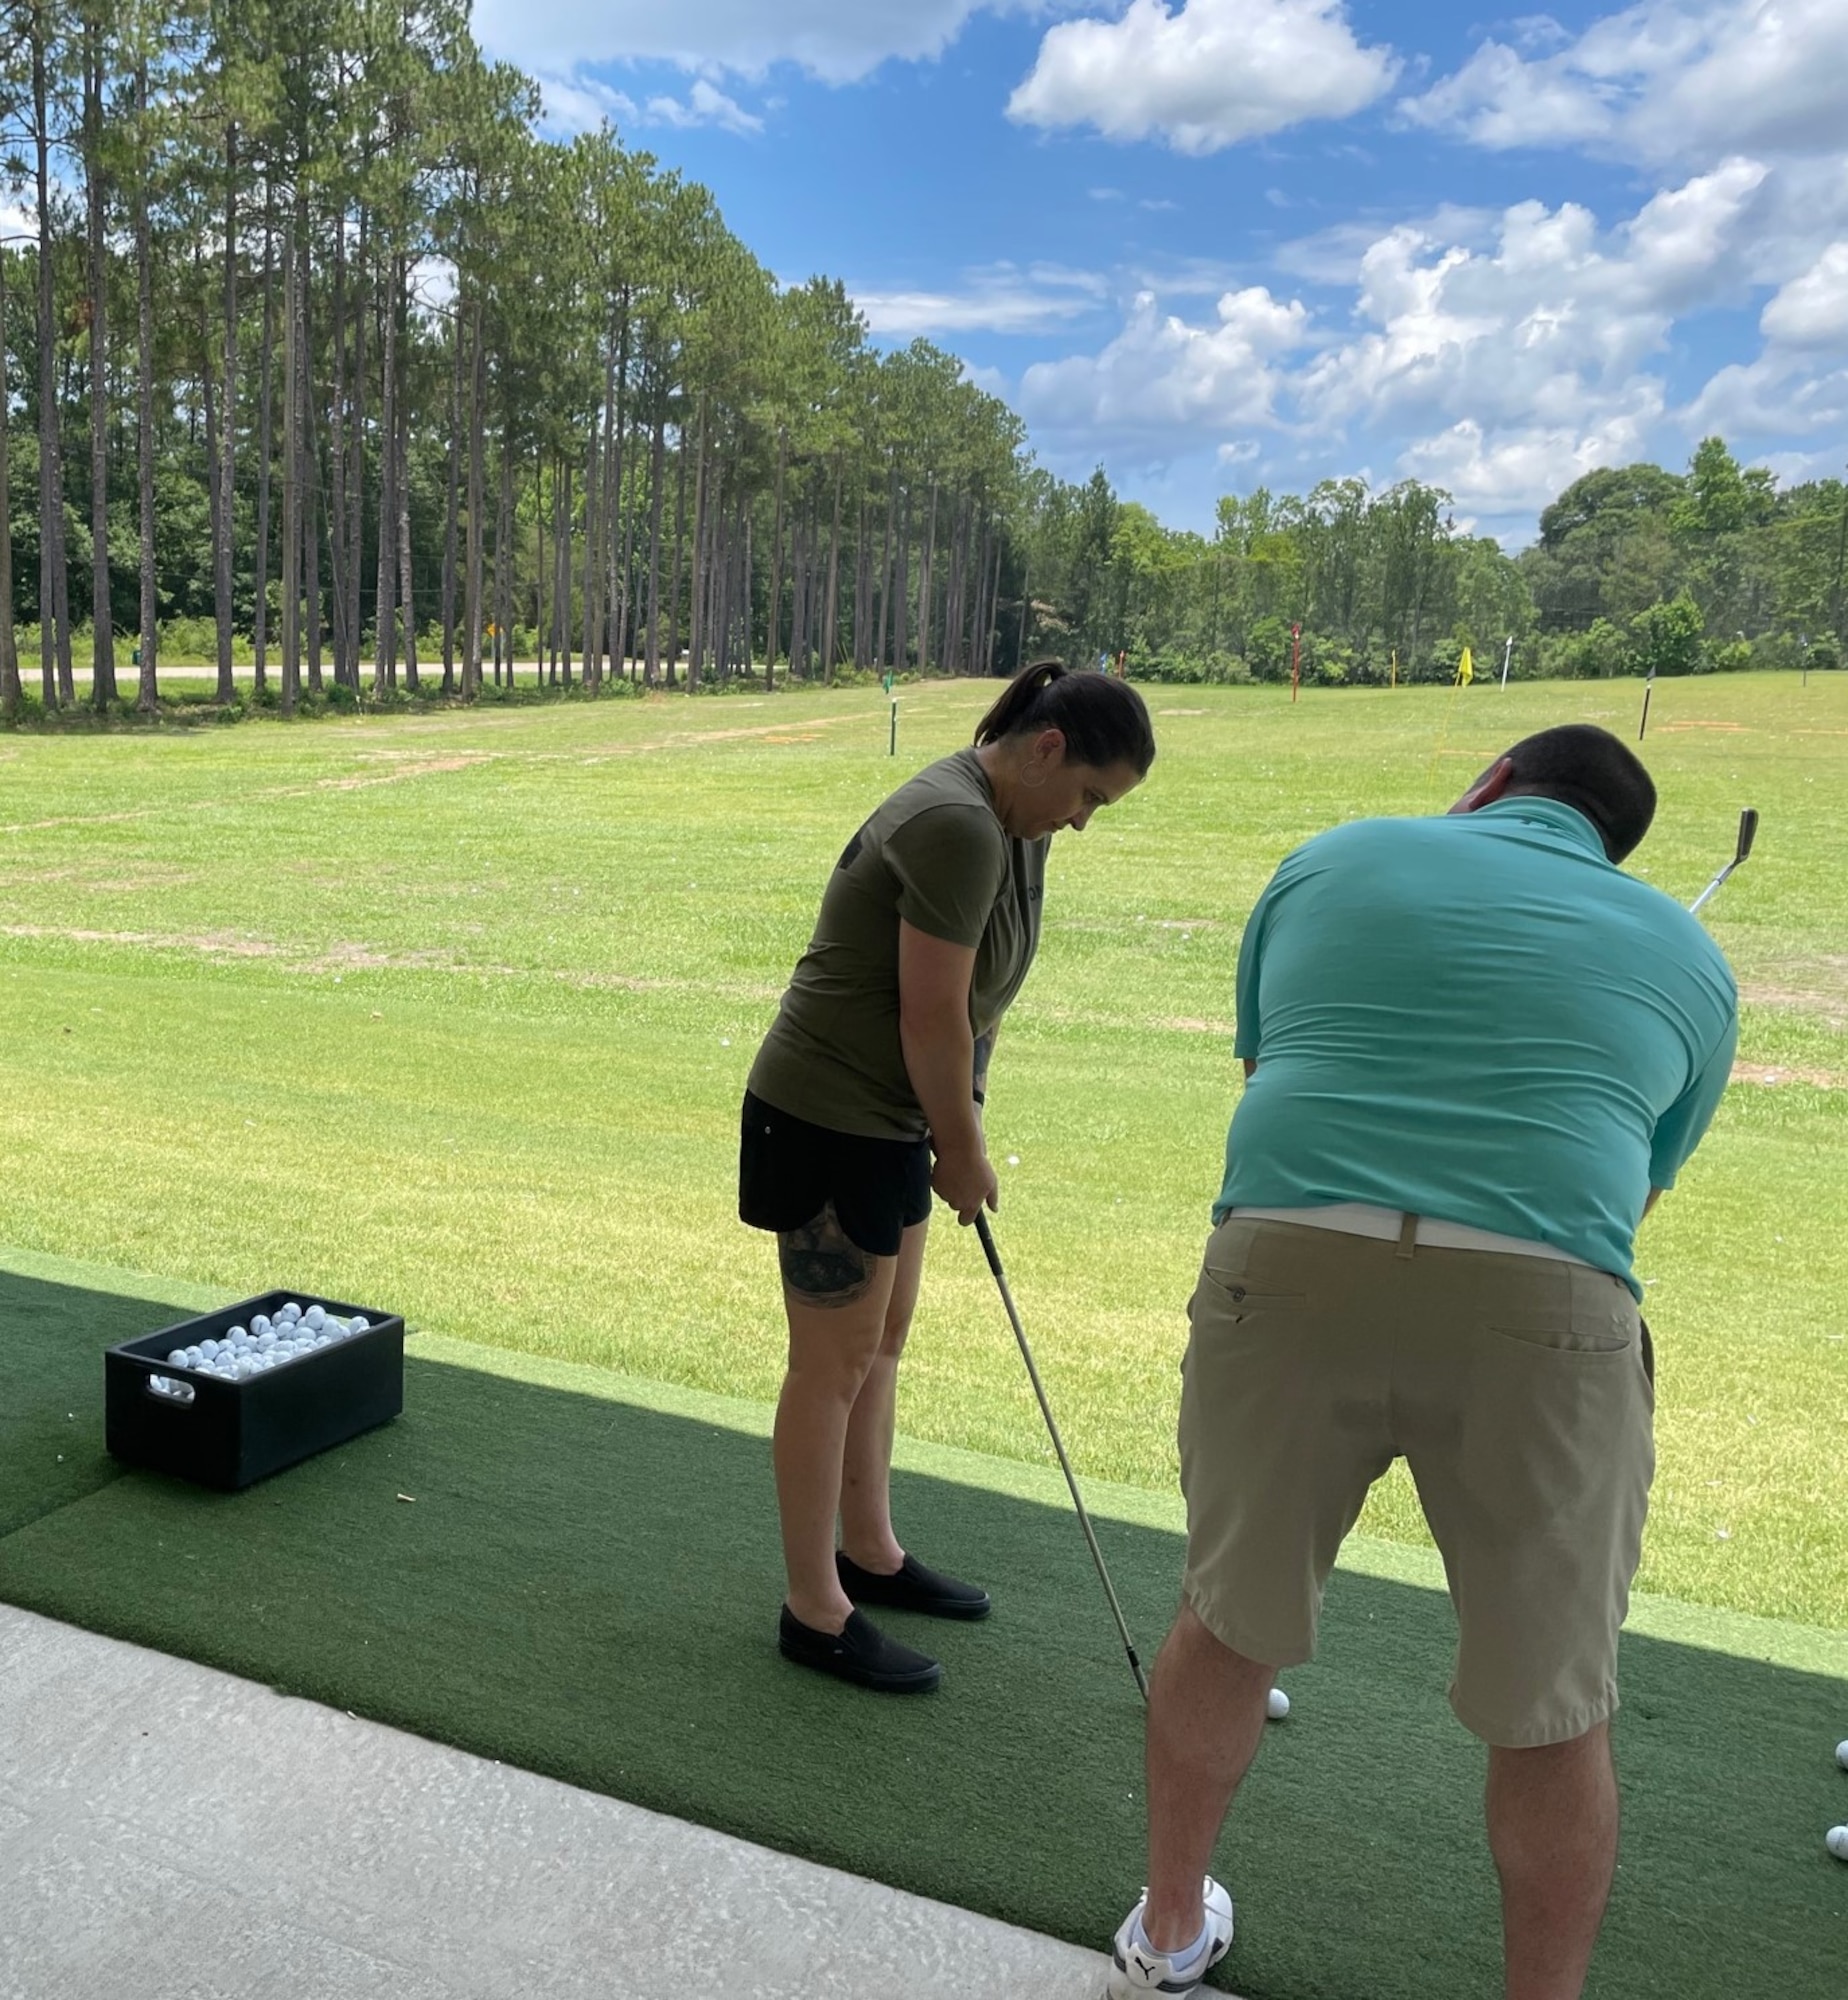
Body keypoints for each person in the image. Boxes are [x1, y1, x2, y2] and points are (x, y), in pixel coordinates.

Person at [1109, 724, 1738, 1999]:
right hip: (1543, 1306)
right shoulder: (1690, 954)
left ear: (1495, 781)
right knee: (1553, 1701)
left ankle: (1168, 1931)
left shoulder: (1328, 860)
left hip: (1286, 1262)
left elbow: (1271, 1067)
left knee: (1227, 1618)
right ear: (1611, 842)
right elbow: (1636, 1196)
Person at [742, 661, 1156, 1694]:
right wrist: (964, 1148)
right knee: (829, 1362)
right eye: (1091, 796)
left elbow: (983, 993)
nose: (1086, 820)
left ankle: (867, 1549)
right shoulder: (957, 822)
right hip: (825, 1111)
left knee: (883, 1338)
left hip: (894, 1116)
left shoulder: (1016, 829)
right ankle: (812, 1607)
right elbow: (927, 1008)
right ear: (1048, 748)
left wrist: (957, 1116)